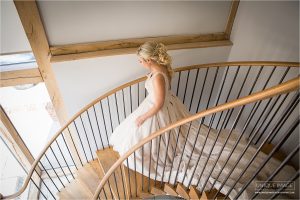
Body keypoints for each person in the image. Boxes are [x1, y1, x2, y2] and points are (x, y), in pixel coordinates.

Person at [109, 41, 295, 199]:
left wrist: (143, 117)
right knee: (160, 138)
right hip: (167, 107)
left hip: (157, 111)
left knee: (150, 141)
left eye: (141, 60)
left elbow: (157, 104)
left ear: (149, 60)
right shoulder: (160, 70)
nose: (140, 63)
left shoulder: (157, 76)